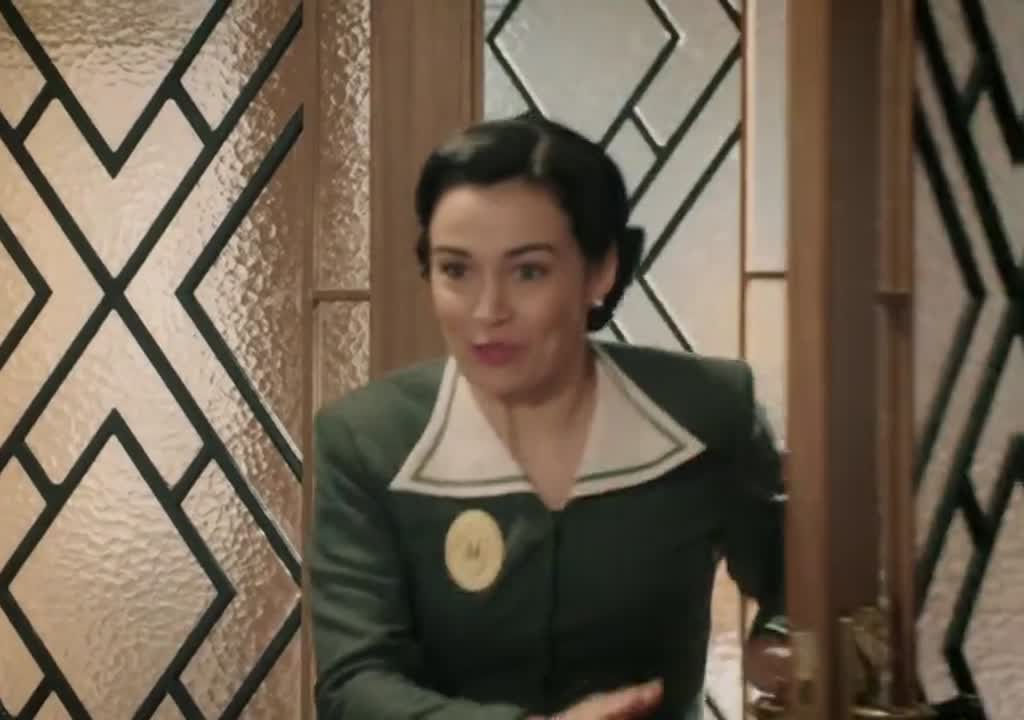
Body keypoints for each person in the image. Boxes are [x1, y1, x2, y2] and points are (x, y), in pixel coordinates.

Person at [306, 115, 788, 719]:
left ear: (600, 269)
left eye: (528, 271)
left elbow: (803, 582)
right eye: (456, 270)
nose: (488, 310)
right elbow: (353, 684)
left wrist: (780, 644)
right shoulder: (368, 439)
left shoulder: (707, 411)